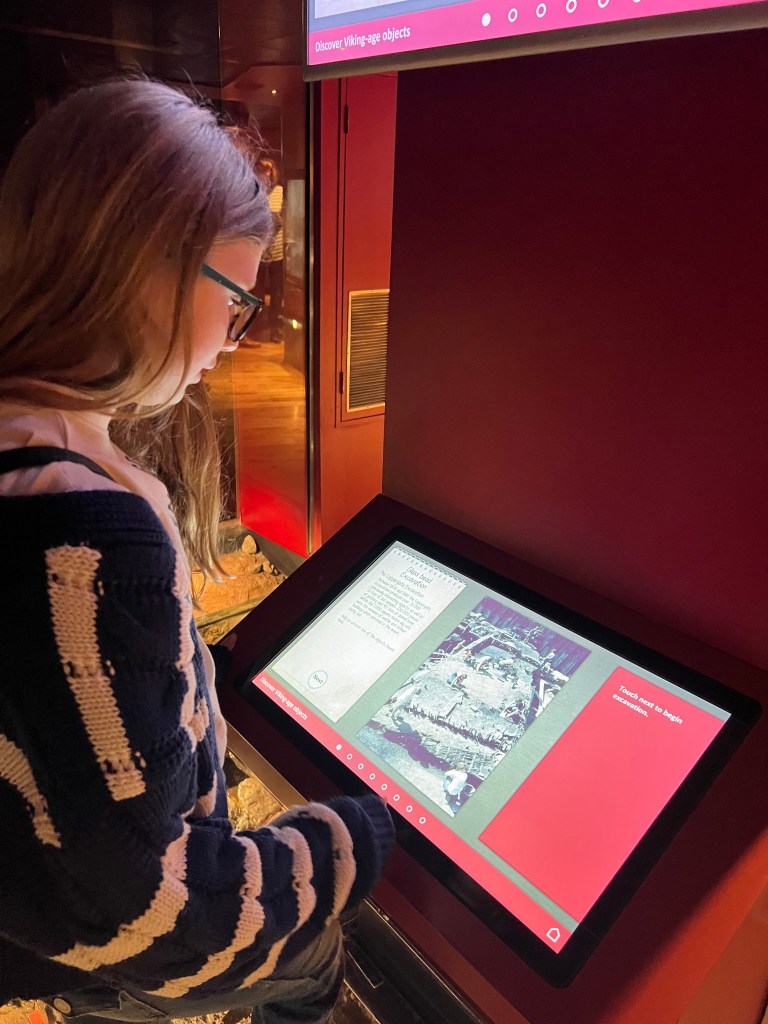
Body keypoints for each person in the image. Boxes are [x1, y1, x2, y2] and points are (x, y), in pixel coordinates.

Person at [0, 78, 394, 1024]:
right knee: (310, 966)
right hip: (96, 938)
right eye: (237, 303)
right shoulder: (84, 534)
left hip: (33, 897)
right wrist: (355, 834)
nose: (233, 342)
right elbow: (151, 912)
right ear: (149, 270)